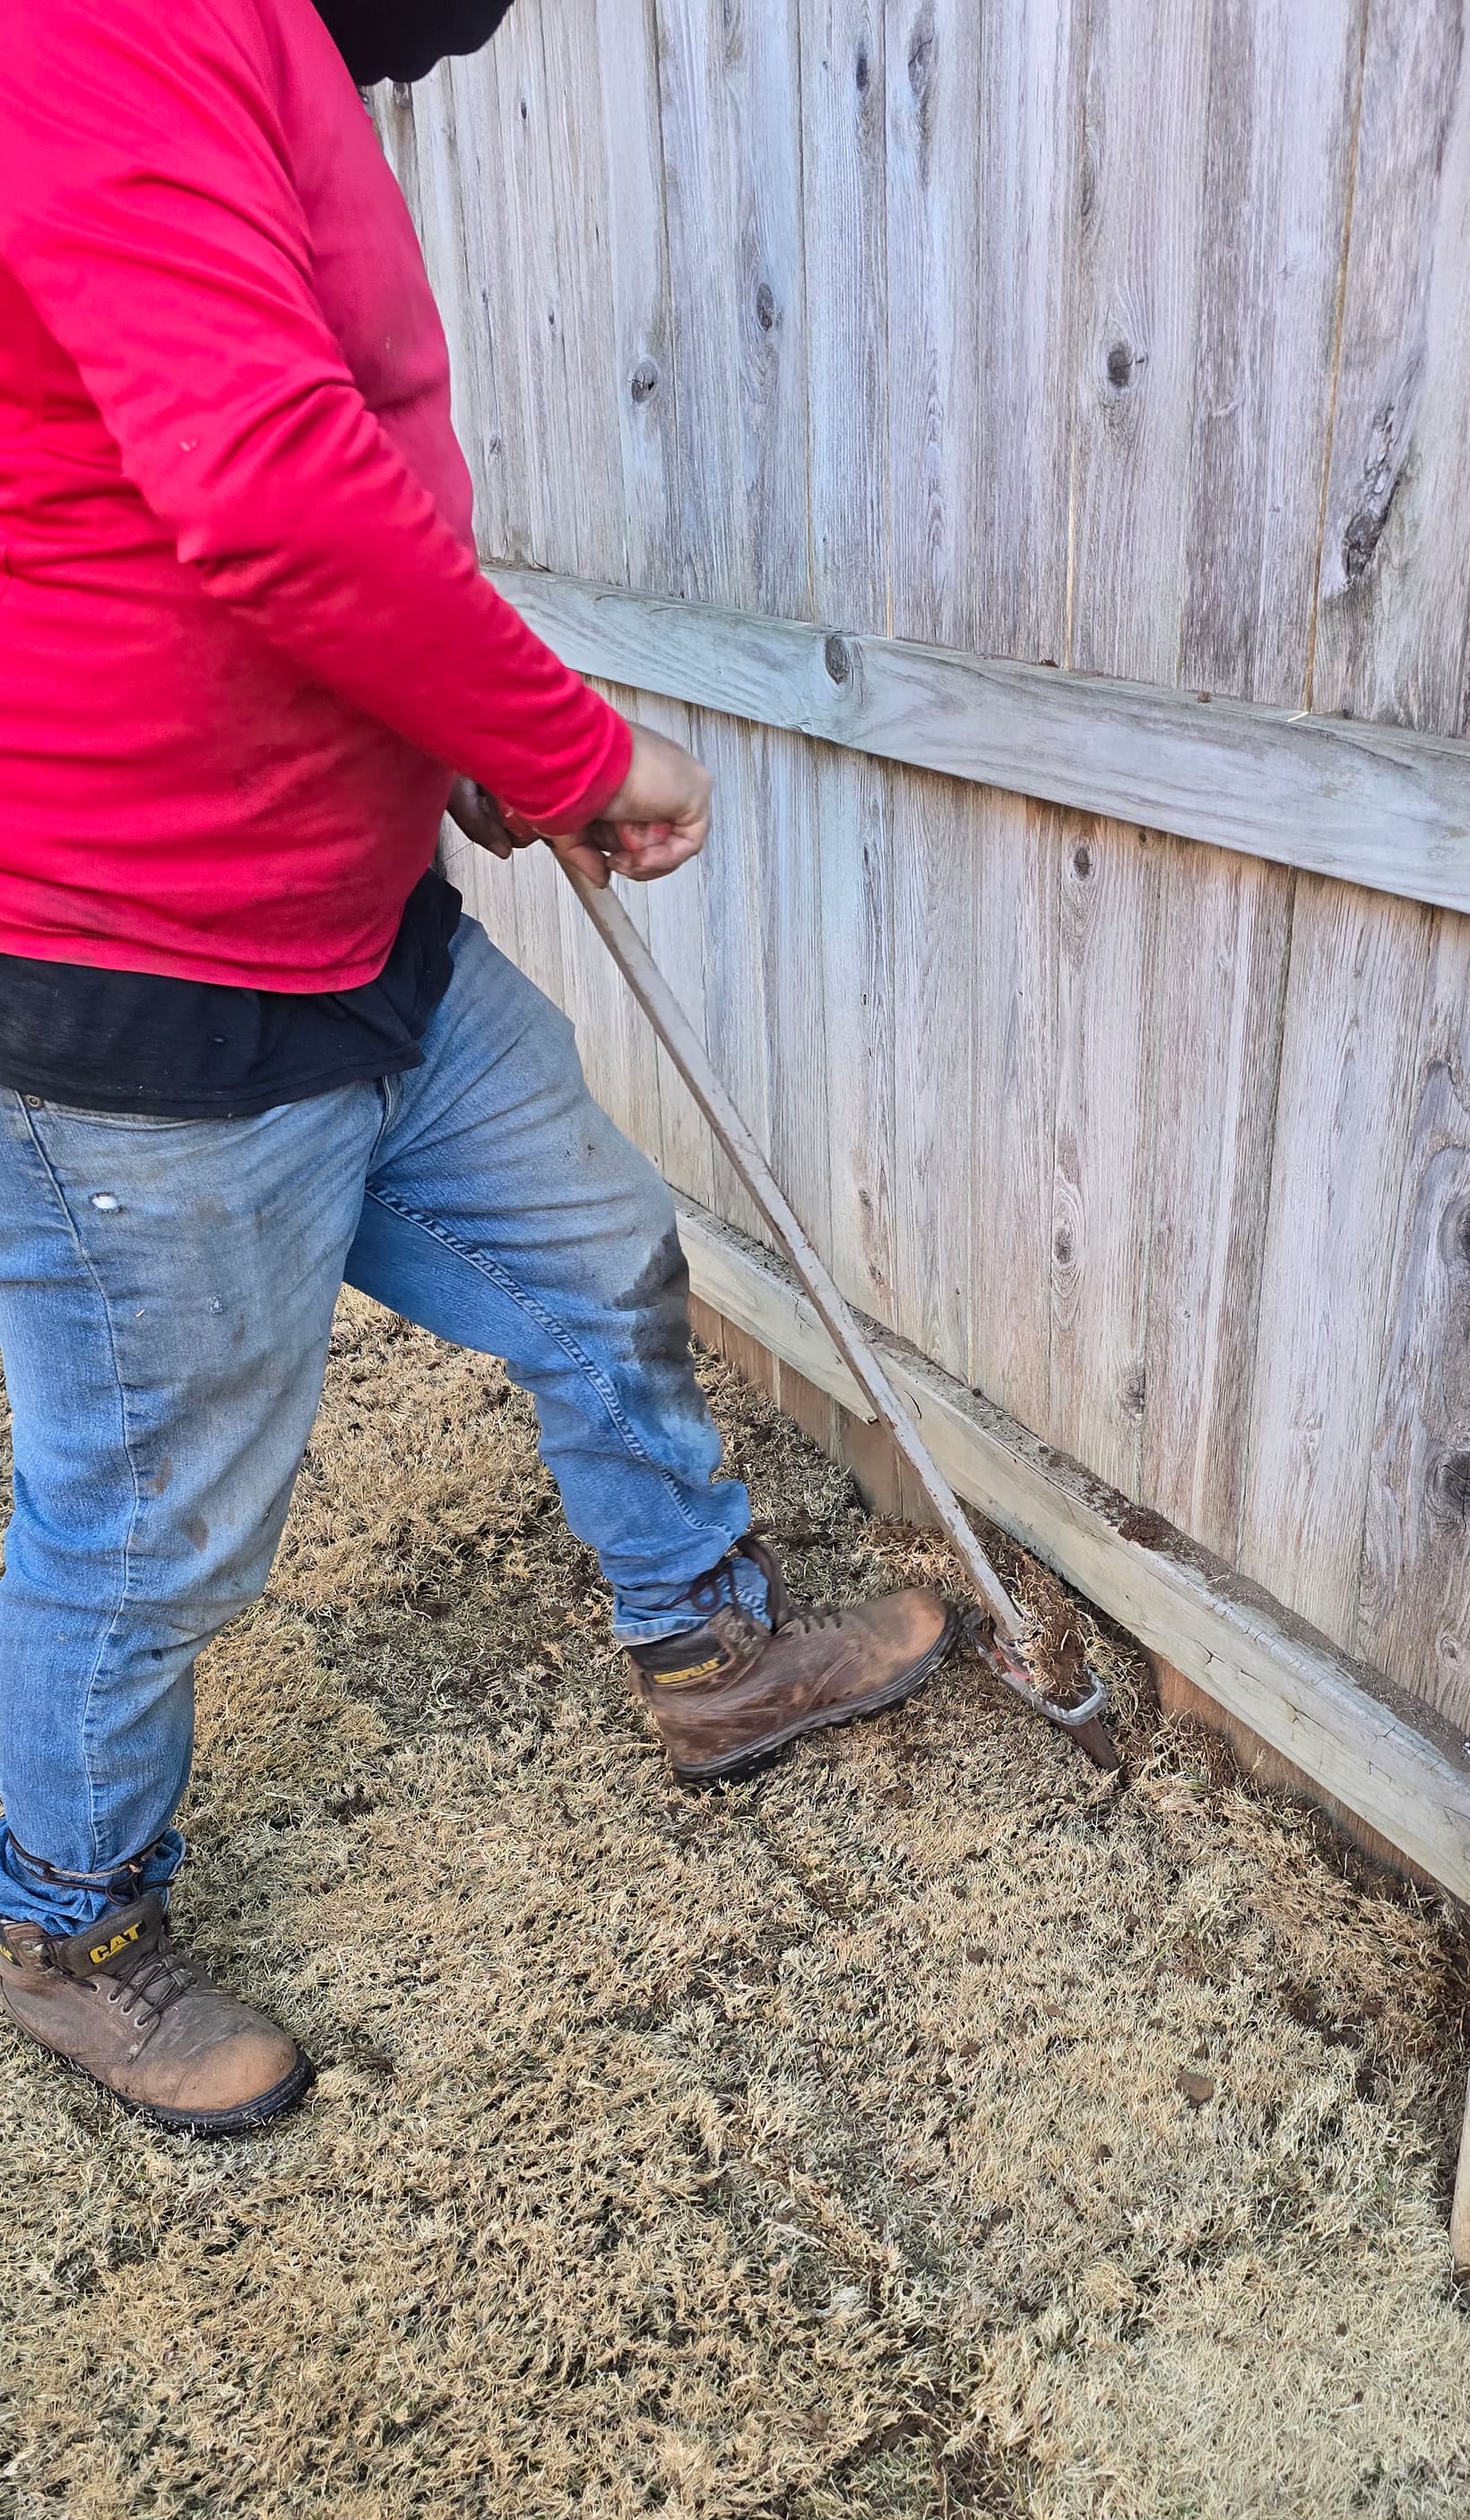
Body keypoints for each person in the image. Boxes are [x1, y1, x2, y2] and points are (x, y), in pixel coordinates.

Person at [0, 0, 956, 2137]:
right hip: (145, 976)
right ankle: (69, 1923)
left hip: (364, 934)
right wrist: (575, 744)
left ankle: (707, 1654)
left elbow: (284, 482)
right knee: (151, 1512)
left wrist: (459, 729)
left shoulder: (258, 43)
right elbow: (259, 485)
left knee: (602, 1254)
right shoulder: (86, 21)